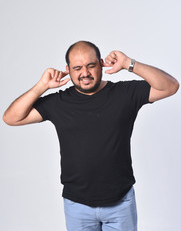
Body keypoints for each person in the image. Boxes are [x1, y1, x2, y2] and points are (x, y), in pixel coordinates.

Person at [3, 41, 179, 231]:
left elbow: (170, 87)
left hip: (120, 203)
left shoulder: (124, 94)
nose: (84, 73)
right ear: (68, 70)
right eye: (77, 68)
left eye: (91, 65)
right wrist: (42, 86)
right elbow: (11, 118)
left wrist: (129, 63)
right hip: (77, 206)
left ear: (101, 63)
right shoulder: (59, 102)